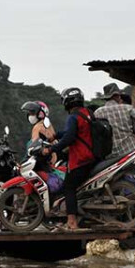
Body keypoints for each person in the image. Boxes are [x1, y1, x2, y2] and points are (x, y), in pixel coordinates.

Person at [41, 88, 96, 230]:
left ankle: (72, 222)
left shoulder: (73, 117)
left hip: (81, 159)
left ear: (67, 101)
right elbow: (72, 132)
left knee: (68, 187)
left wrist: (51, 149)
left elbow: (69, 138)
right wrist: (56, 135)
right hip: (92, 157)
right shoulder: (87, 113)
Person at [94, 83, 135, 159]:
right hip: (130, 149)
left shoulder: (98, 112)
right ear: (116, 96)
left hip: (111, 154)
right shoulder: (126, 108)